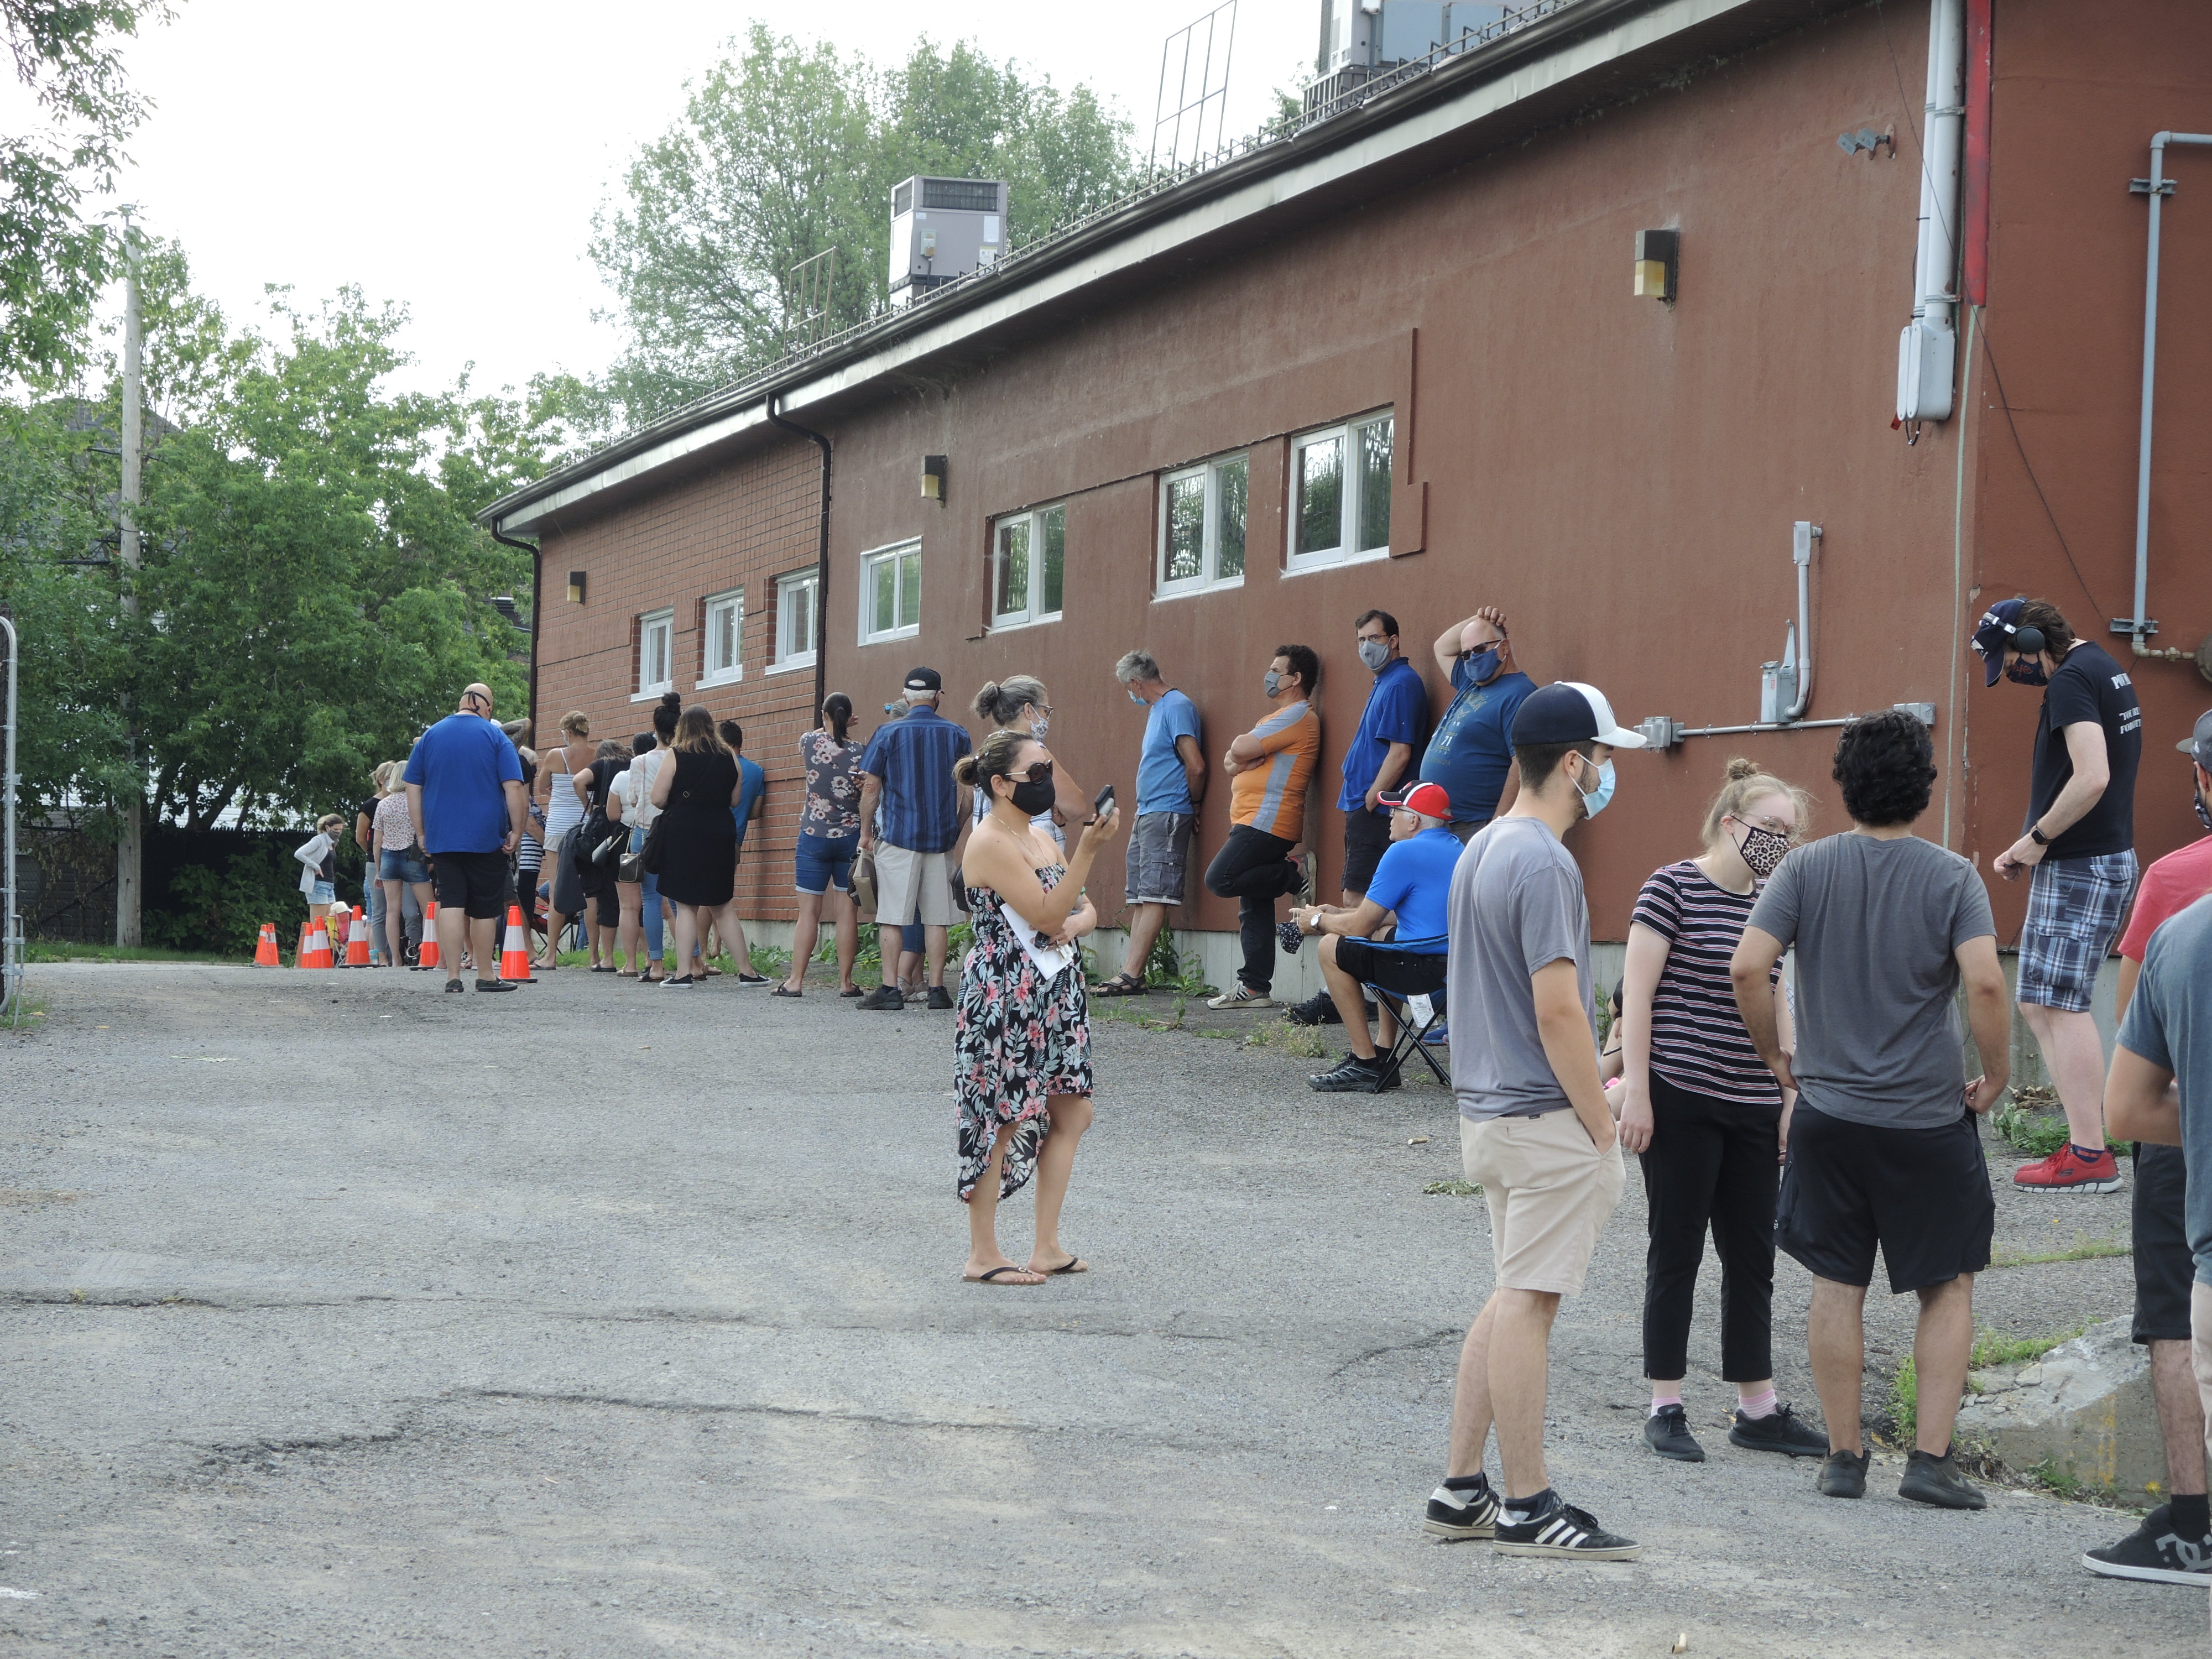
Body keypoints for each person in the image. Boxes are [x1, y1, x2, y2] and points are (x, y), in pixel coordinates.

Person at [1729, 709, 2009, 1509]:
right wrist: (1993, 1074)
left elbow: (1750, 968)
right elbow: (1987, 984)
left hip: (1829, 1116)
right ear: (1923, 787)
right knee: (1947, 1285)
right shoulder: (1953, 876)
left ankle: (1844, 1458)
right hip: (1925, 1120)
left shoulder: (1803, 870)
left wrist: (1776, 1058)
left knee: (1835, 1280)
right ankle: (1928, 1462)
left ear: (1843, 786)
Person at [1422, 681, 1643, 1560]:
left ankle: (1461, 1487)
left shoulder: (1482, 845)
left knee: (1510, 1293)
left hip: (1489, 1112)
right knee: (1529, 1303)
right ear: (1577, 763)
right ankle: (1527, 1502)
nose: (1611, 774)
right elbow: (1558, 1010)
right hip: (1543, 1115)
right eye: (1608, 758)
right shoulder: (1547, 860)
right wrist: (1600, 1122)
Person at [1616, 758, 1827, 1464]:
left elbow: (1777, 996)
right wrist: (1638, 1093)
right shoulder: (1670, 886)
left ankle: (1756, 1407)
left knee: (1752, 1255)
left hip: (1751, 1099)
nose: (1779, 843)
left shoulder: (1771, 902)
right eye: (1770, 828)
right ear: (1730, 824)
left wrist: (1788, 1094)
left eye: (1789, 834)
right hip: (1680, 1093)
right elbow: (1636, 998)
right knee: (1675, 1249)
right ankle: (1666, 1404)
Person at [2083, 709, 2212, 1587]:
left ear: (2204, 782)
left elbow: (2135, 1042)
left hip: (2182, 1139)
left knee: (2173, 1320)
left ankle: (2192, 1523)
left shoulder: (2175, 889)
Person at [1972, 597, 2144, 1192]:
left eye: (2012, 660)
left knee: (2060, 1004)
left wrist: (2037, 839)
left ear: (2027, 640)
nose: (2014, 673)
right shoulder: (2101, 664)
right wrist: (2034, 843)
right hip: (2087, 860)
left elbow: (2092, 775)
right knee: (2039, 1002)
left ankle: (2090, 1155)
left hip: (2080, 863)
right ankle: (2082, 1145)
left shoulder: (2071, 680)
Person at [952, 727, 1120, 1284]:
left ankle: (1046, 1245)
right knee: (1003, 1117)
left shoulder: (1043, 838)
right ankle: (983, 1255)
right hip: (1006, 994)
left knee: (1072, 1109)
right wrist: (1089, 856)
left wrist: (1074, 917)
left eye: (1049, 768)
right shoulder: (989, 841)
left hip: (1056, 989)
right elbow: (1049, 916)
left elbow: (1083, 909)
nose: (1047, 781)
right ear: (1000, 784)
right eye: (1037, 774)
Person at [1291, 779, 1458, 1092]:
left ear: (1414, 820)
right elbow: (1393, 916)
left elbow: (1358, 930)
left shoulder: (1403, 852)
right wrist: (1336, 913)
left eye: (1396, 810)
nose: (1389, 817)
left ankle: (1364, 1062)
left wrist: (1317, 920)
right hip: (1455, 976)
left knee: (1330, 947)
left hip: (1424, 976)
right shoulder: (1458, 847)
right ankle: (1384, 1052)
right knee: (1384, 936)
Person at [1202, 644, 1322, 1011]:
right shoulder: (1274, 720)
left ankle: (1293, 873)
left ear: (1296, 678)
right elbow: (1229, 761)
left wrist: (1243, 758)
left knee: (1220, 879)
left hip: (1268, 821)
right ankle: (1255, 986)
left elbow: (1238, 749)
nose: (1268, 676)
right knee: (1253, 901)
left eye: (1276, 670)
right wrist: (1239, 759)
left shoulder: (1299, 715)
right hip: (1252, 819)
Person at [856, 667, 974, 1011]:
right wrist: (955, 829)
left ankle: (891, 989)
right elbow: (968, 797)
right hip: (940, 840)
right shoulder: (958, 734)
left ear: (905, 697)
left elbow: (872, 788)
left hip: (898, 837)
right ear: (938, 697)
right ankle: (938, 990)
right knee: (937, 918)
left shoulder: (887, 732)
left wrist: (865, 832)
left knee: (892, 916)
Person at [402, 682, 529, 994]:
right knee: (486, 905)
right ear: (484, 706)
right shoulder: (495, 736)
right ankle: (485, 974)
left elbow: (413, 787)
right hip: (487, 835)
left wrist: (421, 832)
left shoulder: (430, 735)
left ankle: (453, 977)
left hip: (442, 835)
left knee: (451, 901)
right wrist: (517, 830)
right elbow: (514, 787)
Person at [1100, 650, 1205, 998]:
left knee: (1156, 891)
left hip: (1169, 810)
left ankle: (1132, 974)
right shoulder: (1160, 709)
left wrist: (1195, 804)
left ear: (1136, 682)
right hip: (1148, 811)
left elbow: (1196, 765)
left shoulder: (1176, 707)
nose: (1129, 694)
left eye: (1127, 687)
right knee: (1143, 895)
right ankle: (1130, 973)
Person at [646, 707, 748, 988]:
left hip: (684, 833)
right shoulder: (729, 756)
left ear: (683, 728)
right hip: (720, 832)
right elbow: (736, 800)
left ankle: (682, 974)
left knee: (686, 905)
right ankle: (748, 972)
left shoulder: (675, 754)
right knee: (723, 906)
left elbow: (657, 798)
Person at [1420, 605, 1537, 841]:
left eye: (1481, 649)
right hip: (1440, 823)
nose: (1472, 659)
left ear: (1504, 647)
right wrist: (1479, 619)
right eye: (1466, 655)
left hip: (1475, 827)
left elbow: (1522, 765)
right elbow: (1442, 647)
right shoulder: (1471, 681)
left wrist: (1498, 826)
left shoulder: (1520, 694)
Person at [779, 694, 864, 999]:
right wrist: (844, 729)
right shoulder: (860, 752)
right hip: (851, 837)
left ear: (824, 714)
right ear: (850, 716)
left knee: (808, 913)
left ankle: (796, 981)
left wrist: (831, 725)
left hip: (813, 834)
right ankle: (845, 983)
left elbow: (818, 734)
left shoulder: (809, 743)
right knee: (847, 914)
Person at [969, 676, 1086, 848]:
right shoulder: (1034, 753)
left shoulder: (988, 749)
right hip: (1031, 857)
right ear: (1029, 710)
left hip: (993, 850)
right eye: (1046, 711)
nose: (1047, 719)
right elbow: (1077, 808)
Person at [536, 711, 597, 971]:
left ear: (568, 733)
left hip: (559, 826)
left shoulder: (554, 755)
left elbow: (541, 787)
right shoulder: (598, 755)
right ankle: (595, 955)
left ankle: (551, 955)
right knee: (592, 889)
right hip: (586, 827)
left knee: (557, 888)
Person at [573, 738, 632, 972]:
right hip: (627, 833)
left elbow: (578, 780)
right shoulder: (632, 764)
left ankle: (597, 955)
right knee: (630, 898)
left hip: (600, 837)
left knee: (594, 894)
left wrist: (590, 807)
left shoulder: (601, 765)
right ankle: (646, 956)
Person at [372, 760, 434, 971]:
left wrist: (379, 870)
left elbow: (377, 842)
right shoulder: (417, 802)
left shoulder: (383, 804)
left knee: (392, 911)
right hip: (412, 855)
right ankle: (429, 952)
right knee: (429, 908)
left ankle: (396, 959)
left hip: (389, 857)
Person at [291, 814, 345, 937]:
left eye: (340, 830)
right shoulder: (319, 840)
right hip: (318, 884)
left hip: (329, 885)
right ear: (327, 828)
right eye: (336, 830)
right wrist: (315, 866)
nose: (338, 832)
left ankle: (326, 952)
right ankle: (313, 953)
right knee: (318, 924)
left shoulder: (333, 842)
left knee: (331, 922)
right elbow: (299, 853)